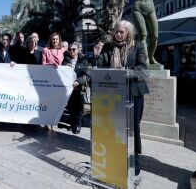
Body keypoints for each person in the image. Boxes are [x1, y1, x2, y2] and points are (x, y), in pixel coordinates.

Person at [92, 20, 149, 179]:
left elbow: (143, 68)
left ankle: (134, 160)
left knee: (133, 127)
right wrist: (97, 56)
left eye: (121, 32)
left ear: (128, 33)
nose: (117, 34)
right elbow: (101, 67)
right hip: (112, 93)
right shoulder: (109, 47)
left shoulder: (137, 46)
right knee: (114, 127)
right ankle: (115, 158)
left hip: (134, 92)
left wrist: (125, 71)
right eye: (116, 31)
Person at [62, 43, 90, 134]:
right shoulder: (66, 59)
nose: (72, 51)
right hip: (70, 88)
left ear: (78, 50)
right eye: (70, 49)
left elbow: (88, 75)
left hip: (81, 87)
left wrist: (79, 81)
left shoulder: (84, 60)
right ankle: (72, 123)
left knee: (80, 106)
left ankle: (78, 124)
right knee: (70, 106)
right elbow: (61, 72)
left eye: (74, 49)